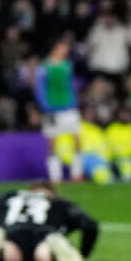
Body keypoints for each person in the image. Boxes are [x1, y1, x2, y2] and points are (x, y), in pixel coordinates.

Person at [0, 181, 100, 261]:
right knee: (45, 255)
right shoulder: (59, 202)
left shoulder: (8, 196)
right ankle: (55, 252)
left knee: (9, 256)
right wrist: (84, 254)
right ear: (53, 191)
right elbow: (90, 225)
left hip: (11, 232)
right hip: (45, 234)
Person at [36, 38, 81, 184]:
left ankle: (77, 173)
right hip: (52, 109)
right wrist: (45, 106)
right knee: (52, 141)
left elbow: (70, 85)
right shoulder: (44, 67)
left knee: (77, 138)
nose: (65, 51)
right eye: (63, 47)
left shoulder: (68, 65)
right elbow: (40, 88)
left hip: (69, 108)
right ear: (55, 48)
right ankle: (55, 176)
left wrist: (74, 102)